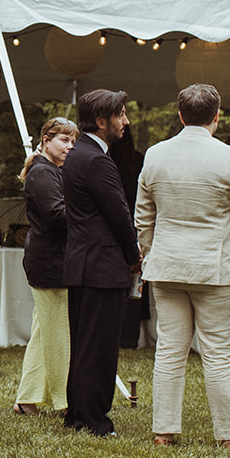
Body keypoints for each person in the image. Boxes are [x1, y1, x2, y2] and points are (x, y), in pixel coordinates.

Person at [137, 84, 230, 448]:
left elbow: (142, 216)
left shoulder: (155, 155)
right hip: (216, 268)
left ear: (180, 115)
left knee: (170, 350)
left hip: (167, 266)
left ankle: (164, 431)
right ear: (217, 116)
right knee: (219, 355)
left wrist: (151, 251)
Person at [61, 89, 142, 437]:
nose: (125, 122)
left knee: (83, 342)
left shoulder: (77, 155)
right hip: (101, 264)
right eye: (120, 115)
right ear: (101, 121)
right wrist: (133, 255)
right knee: (100, 345)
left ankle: (78, 413)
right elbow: (120, 214)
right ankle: (94, 418)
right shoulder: (96, 160)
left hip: (82, 262)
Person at [13, 116, 79, 416]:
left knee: (44, 332)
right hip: (50, 262)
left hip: (51, 259)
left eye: (73, 141)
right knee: (57, 335)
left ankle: (27, 399)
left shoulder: (50, 170)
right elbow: (56, 215)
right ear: (46, 140)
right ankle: (65, 402)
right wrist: (87, 212)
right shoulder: (43, 172)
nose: (70, 146)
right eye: (64, 140)